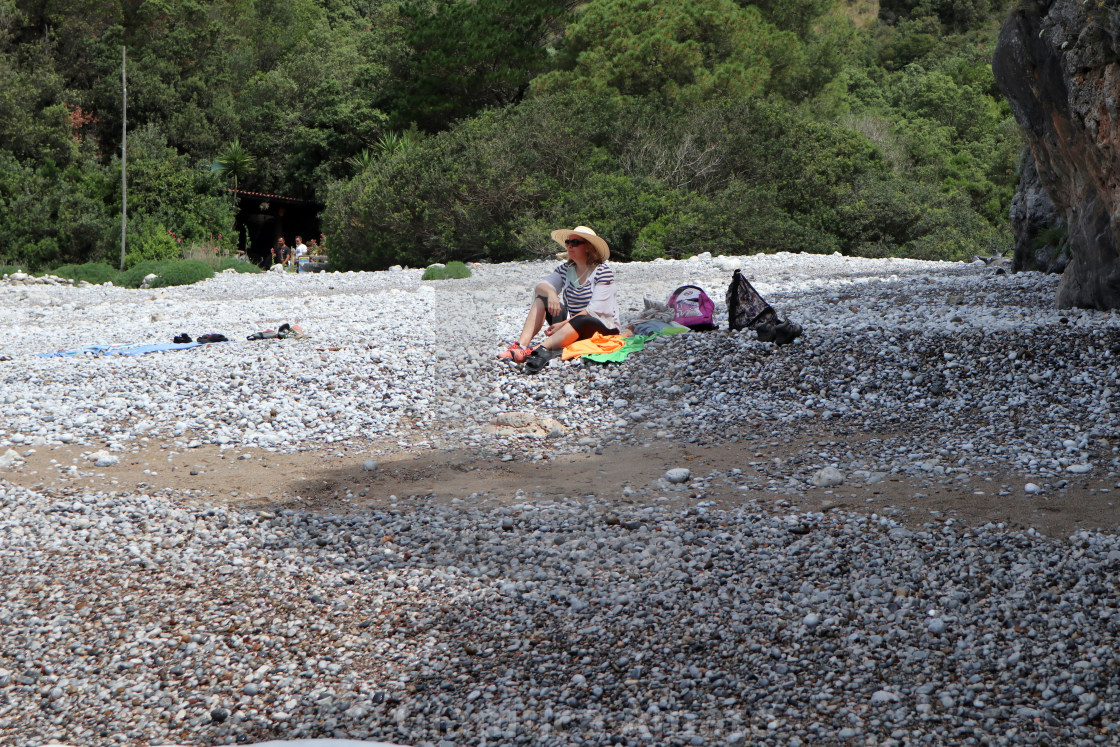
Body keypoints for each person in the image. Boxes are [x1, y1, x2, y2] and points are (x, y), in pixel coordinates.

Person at [499, 225, 620, 374]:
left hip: (601, 326)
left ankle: (535, 350)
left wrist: (564, 323)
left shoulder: (602, 271)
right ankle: (520, 346)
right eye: (568, 242)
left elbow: (595, 310)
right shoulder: (566, 269)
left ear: (588, 247)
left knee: (581, 319)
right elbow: (541, 286)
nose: (570, 246)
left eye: (575, 242)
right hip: (572, 326)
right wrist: (551, 294)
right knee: (541, 298)